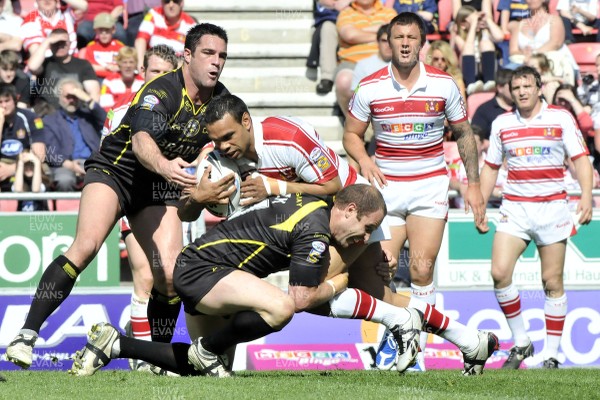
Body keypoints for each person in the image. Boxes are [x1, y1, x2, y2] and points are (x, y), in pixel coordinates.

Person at [184, 93, 499, 376]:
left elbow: (333, 186)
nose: (223, 146)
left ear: (246, 122)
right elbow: (190, 211)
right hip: (310, 227)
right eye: (215, 140)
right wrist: (198, 198)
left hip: (350, 213)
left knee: (307, 294)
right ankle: (471, 341)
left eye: (228, 136)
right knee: (381, 297)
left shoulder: (289, 137)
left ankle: (401, 323)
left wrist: (276, 187)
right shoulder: (217, 161)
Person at [5, 23, 232, 370]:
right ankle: (26, 335)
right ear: (187, 56)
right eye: (208, 53)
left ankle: (155, 358)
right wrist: (167, 167)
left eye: (222, 56)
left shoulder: (221, 101)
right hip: (116, 172)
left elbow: (239, 137)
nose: (216, 62)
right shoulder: (162, 90)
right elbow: (142, 142)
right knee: (86, 247)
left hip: (156, 187)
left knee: (170, 277)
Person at [69, 185, 425, 377]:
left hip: (208, 269)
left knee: (204, 371)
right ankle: (208, 348)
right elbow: (301, 300)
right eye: (365, 229)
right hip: (203, 270)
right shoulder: (315, 231)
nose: (364, 239)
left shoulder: (313, 208)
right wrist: (341, 281)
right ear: (349, 210)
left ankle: (116, 344)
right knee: (283, 306)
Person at [342, 12, 486, 372]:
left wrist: (472, 184)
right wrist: (365, 160)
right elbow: (351, 135)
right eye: (398, 37)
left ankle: (413, 353)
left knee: (421, 271)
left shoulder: (444, 84)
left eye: (411, 37)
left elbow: (464, 133)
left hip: (429, 188)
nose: (405, 43)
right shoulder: (370, 85)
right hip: (385, 192)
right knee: (379, 273)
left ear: (422, 42)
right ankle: (398, 337)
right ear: (388, 42)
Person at [477, 66, 593, 369]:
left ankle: (551, 354)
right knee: (500, 273)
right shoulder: (502, 123)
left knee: (551, 280)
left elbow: (580, 159)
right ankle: (523, 342)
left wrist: (585, 196)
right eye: (516, 88)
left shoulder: (560, 118)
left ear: (539, 88)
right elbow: (491, 167)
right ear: (510, 92)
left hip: (552, 208)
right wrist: (479, 203)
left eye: (527, 86)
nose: (522, 92)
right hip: (514, 209)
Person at [334, 0, 397, 118]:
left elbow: (395, 32)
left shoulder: (388, 12)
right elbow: (350, 35)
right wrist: (380, 32)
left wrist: (360, 30)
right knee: (344, 81)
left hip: (383, 62)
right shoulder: (346, 13)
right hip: (351, 63)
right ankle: (353, 125)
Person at [42, 77, 106, 191]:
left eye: (75, 96)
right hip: (65, 165)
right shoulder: (49, 121)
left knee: (105, 180)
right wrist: (70, 165)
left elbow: (107, 121)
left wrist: (88, 99)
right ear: (59, 97)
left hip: (93, 163)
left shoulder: (89, 116)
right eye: (68, 97)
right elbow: (49, 151)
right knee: (64, 180)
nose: (71, 100)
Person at [28, 28, 101, 112]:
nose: (60, 46)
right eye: (56, 43)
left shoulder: (83, 64)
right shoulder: (44, 63)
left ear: (69, 44)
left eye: (63, 43)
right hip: (49, 113)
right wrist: (47, 41)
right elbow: (32, 67)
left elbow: (94, 94)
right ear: (50, 45)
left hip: (75, 112)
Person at [0, 83, 45, 192]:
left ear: (15, 100)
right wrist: (0, 123)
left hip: (25, 164)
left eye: (7, 101)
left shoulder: (30, 117)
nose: (3, 106)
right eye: (0, 102)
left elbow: (40, 155)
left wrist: (12, 169)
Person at [450, 5, 504, 95]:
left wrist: (488, 20)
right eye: (473, 21)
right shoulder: (458, 37)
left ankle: (490, 81)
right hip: (468, 72)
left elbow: (500, 37)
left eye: (478, 19)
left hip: (483, 69)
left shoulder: (483, 32)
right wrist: (473, 26)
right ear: (463, 25)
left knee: (486, 43)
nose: (477, 22)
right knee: (468, 49)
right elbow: (467, 49)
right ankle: (470, 84)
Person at [134, 0, 197, 70]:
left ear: (182, 3)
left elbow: (193, 55)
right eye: (167, 1)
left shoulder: (190, 24)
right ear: (161, 3)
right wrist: (141, 64)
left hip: (176, 68)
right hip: (154, 64)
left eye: (176, 1)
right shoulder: (154, 14)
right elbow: (141, 40)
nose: (171, 5)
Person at [307, 0, 352, 95]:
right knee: (328, 28)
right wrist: (337, 4)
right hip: (333, 17)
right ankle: (327, 77)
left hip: (361, 16)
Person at [20, 0, 87, 57]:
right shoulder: (30, 19)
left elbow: (84, 6)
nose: (47, 0)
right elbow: (35, 53)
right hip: (48, 64)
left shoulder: (66, 13)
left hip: (72, 60)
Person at [471, 68, 514, 146]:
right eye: (512, 87)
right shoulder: (484, 111)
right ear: (500, 88)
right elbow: (475, 138)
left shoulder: (521, 108)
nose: (517, 91)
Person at [77, 12, 126, 79]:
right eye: (100, 30)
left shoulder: (120, 47)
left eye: (107, 30)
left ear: (113, 30)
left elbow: (127, 64)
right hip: (96, 78)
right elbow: (88, 67)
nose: (104, 34)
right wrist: (105, 68)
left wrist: (117, 67)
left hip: (116, 79)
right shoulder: (91, 46)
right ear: (95, 31)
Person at [99, 46, 145, 111]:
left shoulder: (143, 82)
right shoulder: (108, 82)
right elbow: (105, 106)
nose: (128, 66)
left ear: (136, 64)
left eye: (131, 62)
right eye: (124, 62)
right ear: (119, 64)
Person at [351, 23, 392, 91]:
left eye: (391, 41)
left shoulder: (405, 66)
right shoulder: (363, 65)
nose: (388, 45)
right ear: (377, 42)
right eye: (384, 41)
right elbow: (357, 95)